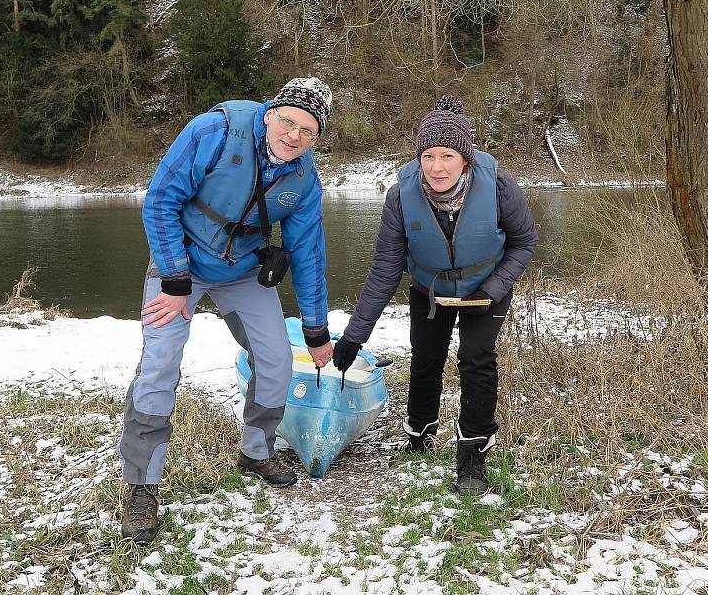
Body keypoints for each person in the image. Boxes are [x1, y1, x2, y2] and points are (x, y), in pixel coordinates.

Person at [118, 78, 334, 544]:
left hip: (240, 270)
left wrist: (317, 332)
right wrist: (175, 279)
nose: (294, 136)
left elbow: (310, 255)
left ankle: (256, 451)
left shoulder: (303, 179)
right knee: (159, 368)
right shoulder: (213, 130)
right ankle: (141, 486)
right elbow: (159, 201)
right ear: (271, 112)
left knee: (277, 358)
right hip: (180, 265)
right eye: (288, 122)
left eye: (308, 131)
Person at [332, 95, 538, 496]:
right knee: (426, 358)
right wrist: (355, 336)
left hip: (487, 285)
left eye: (447, 155)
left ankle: (472, 458)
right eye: (428, 156)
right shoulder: (399, 196)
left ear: (466, 158)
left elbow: (524, 242)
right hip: (430, 289)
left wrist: (492, 289)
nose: (436, 167)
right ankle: (420, 434)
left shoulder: (497, 185)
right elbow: (385, 269)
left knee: (476, 360)